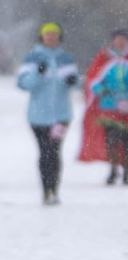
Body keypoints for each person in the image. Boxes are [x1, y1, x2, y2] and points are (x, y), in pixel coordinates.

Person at [79, 29, 128, 183]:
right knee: (112, 139)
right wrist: (101, 90)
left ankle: (127, 171)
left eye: (123, 39)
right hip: (109, 107)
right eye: (117, 39)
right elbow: (93, 79)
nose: (120, 42)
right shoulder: (104, 57)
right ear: (112, 41)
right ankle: (113, 169)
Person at [17, 22, 79, 205]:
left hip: (61, 116)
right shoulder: (32, 58)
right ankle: (46, 190)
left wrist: (72, 81)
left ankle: (54, 189)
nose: (51, 37)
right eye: (47, 34)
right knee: (44, 152)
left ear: (59, 37)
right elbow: (23, 84)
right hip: (38, 116)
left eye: (54, 34)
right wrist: (38, 73)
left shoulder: (66, 58)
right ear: (42, 37)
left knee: (54, 151)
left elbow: (75, 83)